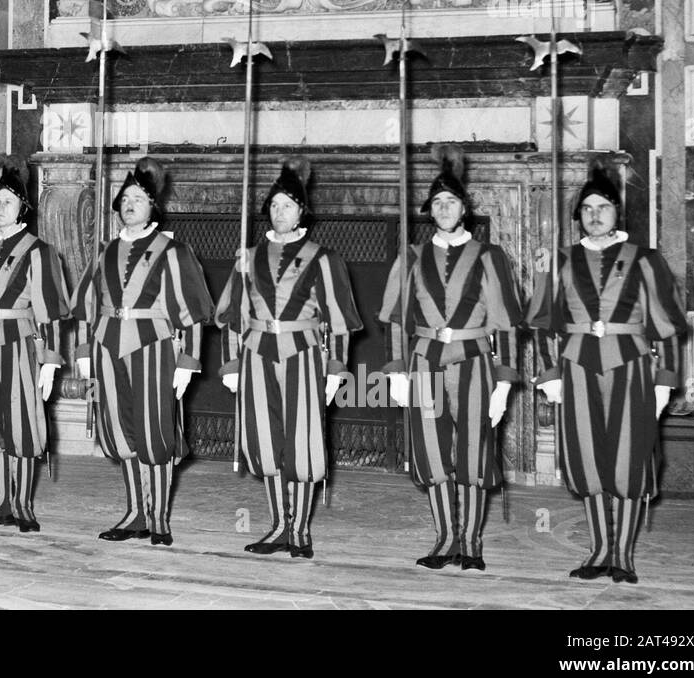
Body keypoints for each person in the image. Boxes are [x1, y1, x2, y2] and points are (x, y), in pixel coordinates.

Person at [529, 163, 688, 584]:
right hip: (577, 368)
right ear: (577, 216)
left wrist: (664, 383)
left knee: (629, 460)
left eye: (603, 207)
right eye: (586, 209)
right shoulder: (560, 260)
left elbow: (666, 326)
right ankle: (600, 548)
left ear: (618, 212)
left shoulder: (646, 260)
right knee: (590, 460)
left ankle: (624, 554)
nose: (595, 215)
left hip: (631, 367)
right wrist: (550, 376)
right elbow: (546, 323)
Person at [379, 147, 523, 572]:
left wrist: (503, 382)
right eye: (437, 203)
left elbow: (507, 322)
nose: (444, 209)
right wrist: (396, 372)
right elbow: (395, 319)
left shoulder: (488, 256)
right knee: (432, 450)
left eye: (452, 202)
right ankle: (444, 538)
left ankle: (472, 542)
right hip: (424, 362)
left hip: (475, 363)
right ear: (430, 211)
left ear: (465, 209)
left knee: (475, 451)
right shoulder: (411, 257)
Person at [213, 158, 362, 558]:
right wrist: (230, 365)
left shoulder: (324, 258)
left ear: (302, 213)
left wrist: (336, 369)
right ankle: (279, 524)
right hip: (258, 355)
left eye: (288, 205)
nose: (280, 212)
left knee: (301, 443)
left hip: (304, 355)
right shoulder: (247, 257)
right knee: (268, 441)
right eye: (275, 205)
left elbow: (339, 320)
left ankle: (300, 529)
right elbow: (233, 315)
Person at [72, 157, 214, 546]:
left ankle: (158, 517)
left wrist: (187, 362)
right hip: (107, 346)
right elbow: (88, 305)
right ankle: (135, 512)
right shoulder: (104, 252)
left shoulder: (173, 251)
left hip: (154, 348)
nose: (130, 204)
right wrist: (85, 350)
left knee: (155, 434)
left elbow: (192, 311)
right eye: (125, 198)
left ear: (154, 207)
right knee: (122, 432)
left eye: (139, 198)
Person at [0, 156, 70, 532]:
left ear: (23, 208)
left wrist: (50, 360)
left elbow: (50, 310)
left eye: (8, 201)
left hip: (19, 343)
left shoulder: (39, 252)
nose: (0, 207)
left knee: (20, 422)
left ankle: (23, 504)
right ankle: (1, 499)